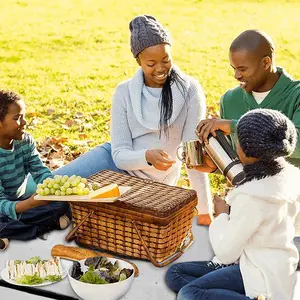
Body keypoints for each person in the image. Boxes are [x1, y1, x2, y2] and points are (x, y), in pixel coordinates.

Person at [42, 15, 212, 225]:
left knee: (90, 215)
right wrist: (147, 156)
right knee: (48, 188)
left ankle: (61, 216)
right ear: (138, 61)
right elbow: (120, 154)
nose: (160, 68)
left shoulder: (189, 90)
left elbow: (192, 156)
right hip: (114, 163)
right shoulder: (124, 92)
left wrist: (204, 211)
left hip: (151, 186)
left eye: (166, 59)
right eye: (151, 63)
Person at [165, 108, 300, 300]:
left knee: (189, 293)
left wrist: (222, 215)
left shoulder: (251, 197)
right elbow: (293, 226)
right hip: (273, 267)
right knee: (175, 274)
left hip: (259, 276)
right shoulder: (291, 178)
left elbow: (225, 252)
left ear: (244, 150)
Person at [196, 29, 300, 170]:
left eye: (242, 69)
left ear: (266, 63)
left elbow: (297, 144)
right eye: (234, 68)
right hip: (249, 189)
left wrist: (235, 127)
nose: (236, 75)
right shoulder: (230, 99)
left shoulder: (296, 95)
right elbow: (237, 161)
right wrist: (214, 166)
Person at [0, 90, 70, 250]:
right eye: (17, 118)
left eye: (23, 116)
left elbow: (40, 171)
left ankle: (11, 232)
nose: (24, 122)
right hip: (5, 207)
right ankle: (43, 226)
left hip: (20, 200)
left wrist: (54, 190)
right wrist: (29, 204)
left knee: (64, 203)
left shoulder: (25, 141)